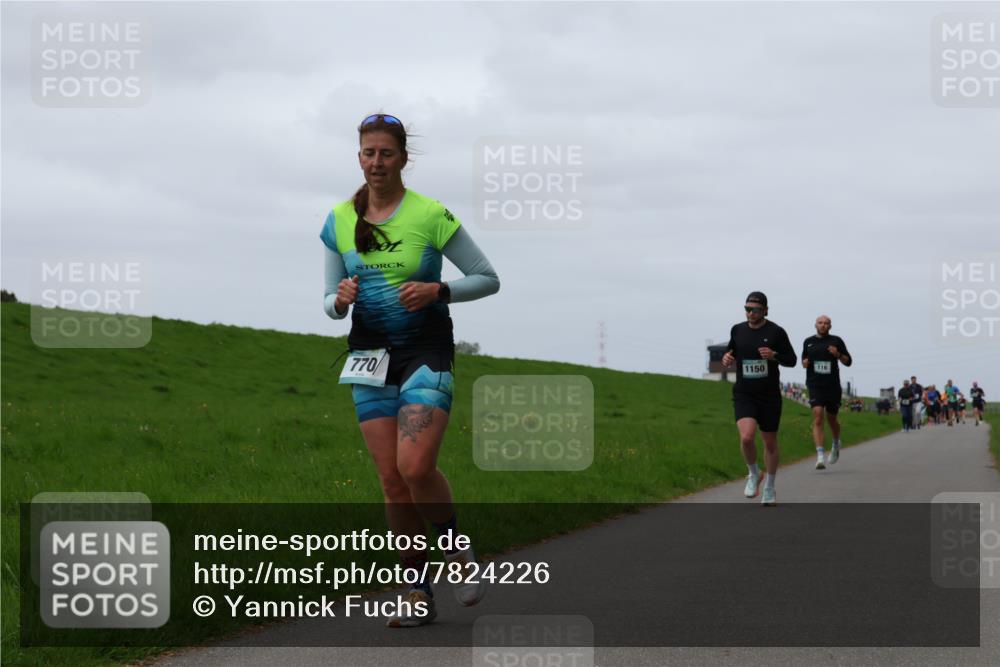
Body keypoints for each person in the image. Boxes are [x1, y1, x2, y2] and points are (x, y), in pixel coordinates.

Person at [320, 113, 500, 627]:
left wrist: (438, 290)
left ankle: (457, 553)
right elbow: (329, 302)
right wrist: (340, 299)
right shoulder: (337, 220)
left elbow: (487, 279)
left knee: (415, 467)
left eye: (386, 153)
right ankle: (416, 594)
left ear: (403, 158)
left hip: (425, 352)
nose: (377, 162)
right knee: (391, 481)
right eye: (368, 153)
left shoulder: (430, 214)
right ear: (359, 157)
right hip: (369, 359)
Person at [721, 292, 796, 506]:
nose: (750, 313)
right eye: (747, 309)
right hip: (744, 393)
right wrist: (727, 357)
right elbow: (731, 351)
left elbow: (791, 360)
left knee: (769, 442)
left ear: (765, 310)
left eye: (755, 309)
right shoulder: (737, 329)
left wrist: (774, 355)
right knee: (746, 437)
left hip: (769, 395)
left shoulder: (776, 332)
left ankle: (770, 488)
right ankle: (754, 473)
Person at [801, 315, 852, 468]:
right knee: (817, 416)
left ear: (830, 326)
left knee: (831, 419)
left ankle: (836, 443)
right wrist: (804, 363)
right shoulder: (808, 342)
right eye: (820, 323)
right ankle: (820, 455)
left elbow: (848, 362)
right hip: (815, 385)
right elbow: (804, 361)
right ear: (815, 325)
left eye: (826, 323)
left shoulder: (836, 341)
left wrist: (837, 354)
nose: (823, 325)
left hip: (832, 386)